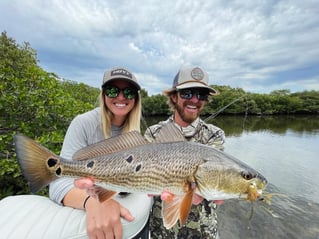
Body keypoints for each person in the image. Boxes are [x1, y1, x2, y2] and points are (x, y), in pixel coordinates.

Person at [49, 67, 152, 239]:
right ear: (103, 94)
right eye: (113, 90)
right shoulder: (83, 123)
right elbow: (58, 182)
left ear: (136, 98)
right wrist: (92, 202)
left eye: (128, 92)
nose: (120, 97)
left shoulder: (136, 133)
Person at [144, 66, 225, 239]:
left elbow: (212, 180)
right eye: (187, 93)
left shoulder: (215, 134)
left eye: (201, 94)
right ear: (174, 96)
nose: (195, 100)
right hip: (161, 229)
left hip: (204, 230)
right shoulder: (153, 133)